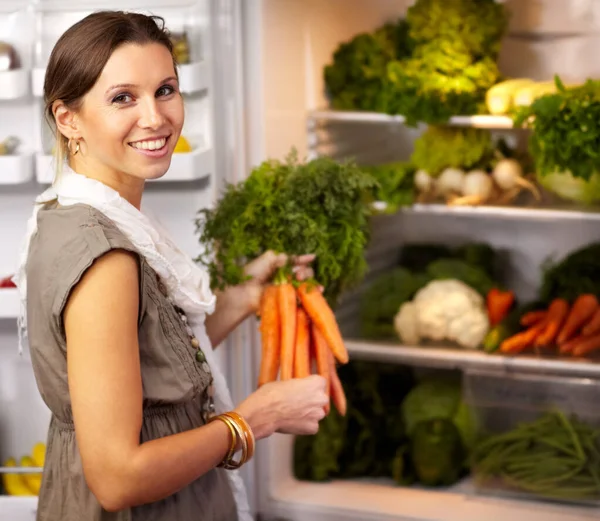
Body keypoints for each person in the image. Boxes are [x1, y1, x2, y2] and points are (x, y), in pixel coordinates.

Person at [14, 10, 328, 521]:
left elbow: (147, 361)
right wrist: (253, 419)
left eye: (165, 89)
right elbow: (119, 479)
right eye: (122, 98)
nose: (156, 117)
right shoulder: (106, 259)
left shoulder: (83, 213)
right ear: (68, 118)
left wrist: (244, 297)